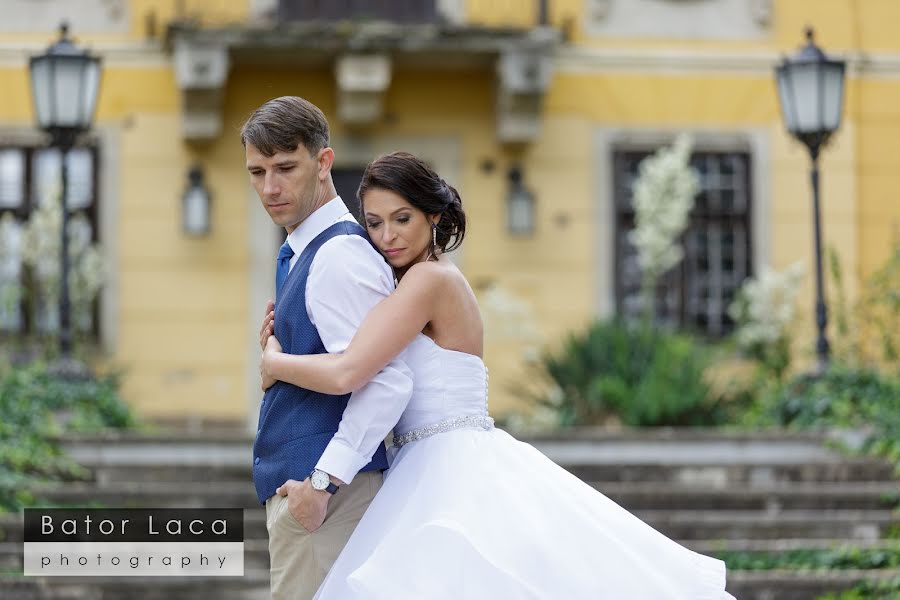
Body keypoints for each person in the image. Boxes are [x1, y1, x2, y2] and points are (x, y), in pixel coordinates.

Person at [259, 151, 737, 599]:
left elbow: (352, 367)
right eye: (375, 223)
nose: (387, 237)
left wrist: (275, 363)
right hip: (431, 458)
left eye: (402, 219)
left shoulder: (428, 281)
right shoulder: (423, 279)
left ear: (435, 218)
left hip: (444, 465)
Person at [243, 96, 414, 600]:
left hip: (327, 501)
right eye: (257, 171)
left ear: (323, 163)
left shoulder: (338, 256)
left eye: (284, 167)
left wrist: (320, 486)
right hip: (315, 500)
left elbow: (386, 381)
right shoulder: (298, 250)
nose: (270, 187)